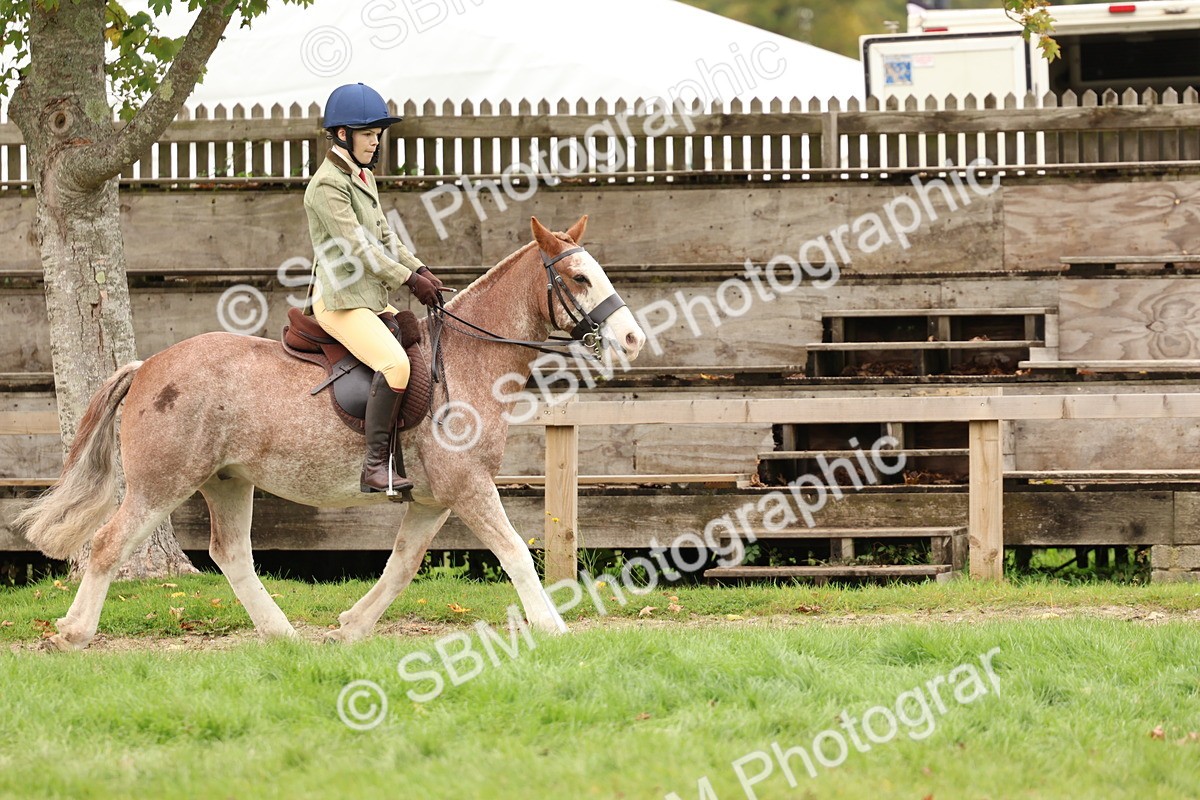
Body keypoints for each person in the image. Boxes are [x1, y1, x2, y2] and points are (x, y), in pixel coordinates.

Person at [303, 82, 444, 497]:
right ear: (342, 134)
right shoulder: (327, 186)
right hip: (341, 301)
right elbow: (360, 249)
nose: (375, 141)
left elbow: (386, 238)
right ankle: (374, 467)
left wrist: (420, 269)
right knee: (395, 366)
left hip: (368, 299)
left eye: (377, 134)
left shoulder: (364, 178)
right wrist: (407, 280)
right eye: (368, 134)